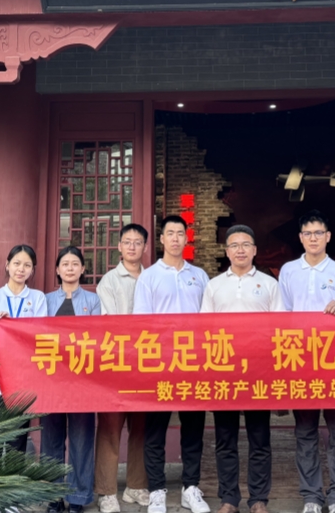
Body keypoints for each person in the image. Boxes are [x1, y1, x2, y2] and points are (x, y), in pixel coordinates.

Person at [278, 210, 335, 513]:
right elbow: (282, 316)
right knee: (305, 431)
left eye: (319, 233)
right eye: (308, 234)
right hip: (301, 361)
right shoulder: (288, 271)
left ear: (328, 236)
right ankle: (311, 496)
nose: (314, 238)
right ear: (301, 238)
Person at [201, 225, 284, 513]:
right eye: (234, 245)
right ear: (226, 251)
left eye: (246, 244)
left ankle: (259, 498)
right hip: (224, 369)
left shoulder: (269, 284)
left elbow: (280, 327)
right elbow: (204, 329)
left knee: (259, 438)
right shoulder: (214, 285)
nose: (240, 250)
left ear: (254, 250)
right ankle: (229, 499)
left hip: (259, 370)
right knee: (225, 439)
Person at [134, 215, 211, 513]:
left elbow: (209, 319)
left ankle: (191, 487)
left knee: (193, 428)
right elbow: (142, 321)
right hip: (160, 364)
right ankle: (157, 490)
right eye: (170, 233)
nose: (176, 238)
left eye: (181, 233)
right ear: (162, 239)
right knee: (155, 430)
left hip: (193, 363)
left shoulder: (199, 275)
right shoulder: (149, 276)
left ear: (186, 238)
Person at [94, 223, 152, 513]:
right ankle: (106, 491)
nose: (132, 246)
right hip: (116, 364)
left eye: (137, 242)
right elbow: (110, 322)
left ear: (145, 247)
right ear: (119, 246)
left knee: (141, 428)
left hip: (147, 364)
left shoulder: (153, 278)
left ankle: (136, 486)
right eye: (127, 241)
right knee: (110, 428)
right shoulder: (109, 281)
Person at [41, 246, 101, 513]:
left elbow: (98, 337)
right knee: (51, 440)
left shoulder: (93, 300)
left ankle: (78, 497)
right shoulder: (45, 300)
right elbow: (32, 333)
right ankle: (53, 496)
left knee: (81, 439)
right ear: (57, 269)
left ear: (82, 269)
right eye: (65, 264)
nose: (70, 268)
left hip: (82, 381)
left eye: (75, 263)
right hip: (50, 380)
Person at [0, 244, 49, 453]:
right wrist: (2, 361)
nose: (21, 269)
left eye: (27, 265)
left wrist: (13, 324)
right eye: (16, 263)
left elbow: (39, 335)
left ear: (32, 270)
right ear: (7, 265)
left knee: (18, 439)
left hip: (23, 377)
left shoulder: (38, 298)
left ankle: (15, 474)